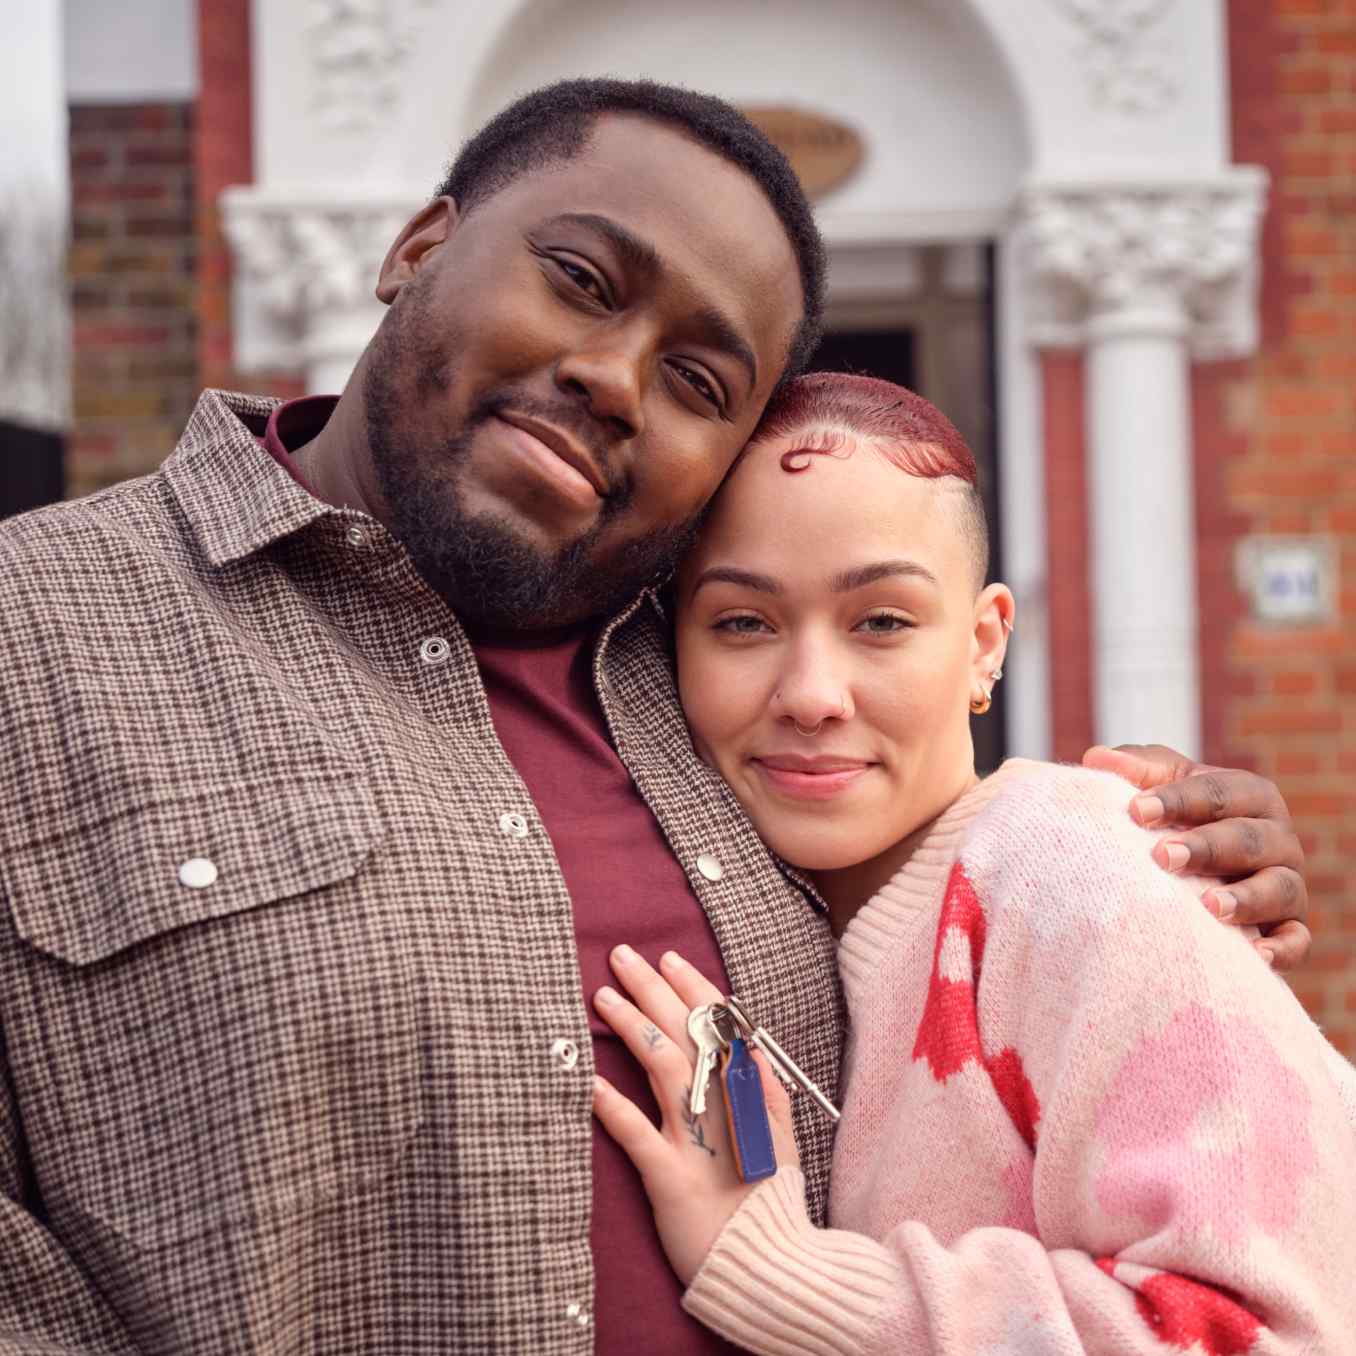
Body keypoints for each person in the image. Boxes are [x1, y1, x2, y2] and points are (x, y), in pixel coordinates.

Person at [0, 80, 1313, 1356]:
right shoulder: (38, 634)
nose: (620, 379)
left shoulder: (711, 691)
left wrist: (1138, 859)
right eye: (580, 280)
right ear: (419, 244)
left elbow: (970, 936)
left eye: (699, 381)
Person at [592, 373, 1356, 1354]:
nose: (814, 694)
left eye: (882, 622)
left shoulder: (1074, 871)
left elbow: (1271, 1335)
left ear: (984, 641)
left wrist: (783, 1274)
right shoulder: (736, 897)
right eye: (743, 622)